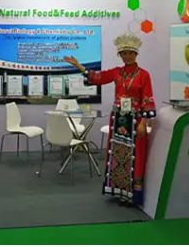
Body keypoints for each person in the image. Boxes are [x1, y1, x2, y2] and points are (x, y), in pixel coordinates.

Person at [63, 33, 155, 206]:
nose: (127, 56)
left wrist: (144, 122)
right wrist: (79, 66)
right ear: (120, 55)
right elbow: (98, 77)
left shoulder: (144, 75)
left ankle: (133, 194)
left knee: (136, 155)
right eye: (124, 53)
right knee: (119, 154)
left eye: (130, 53)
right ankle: (119, 190)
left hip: (135, 121)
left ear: (135, 54)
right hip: (119, 119)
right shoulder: (117, 73)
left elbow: (147, 98)